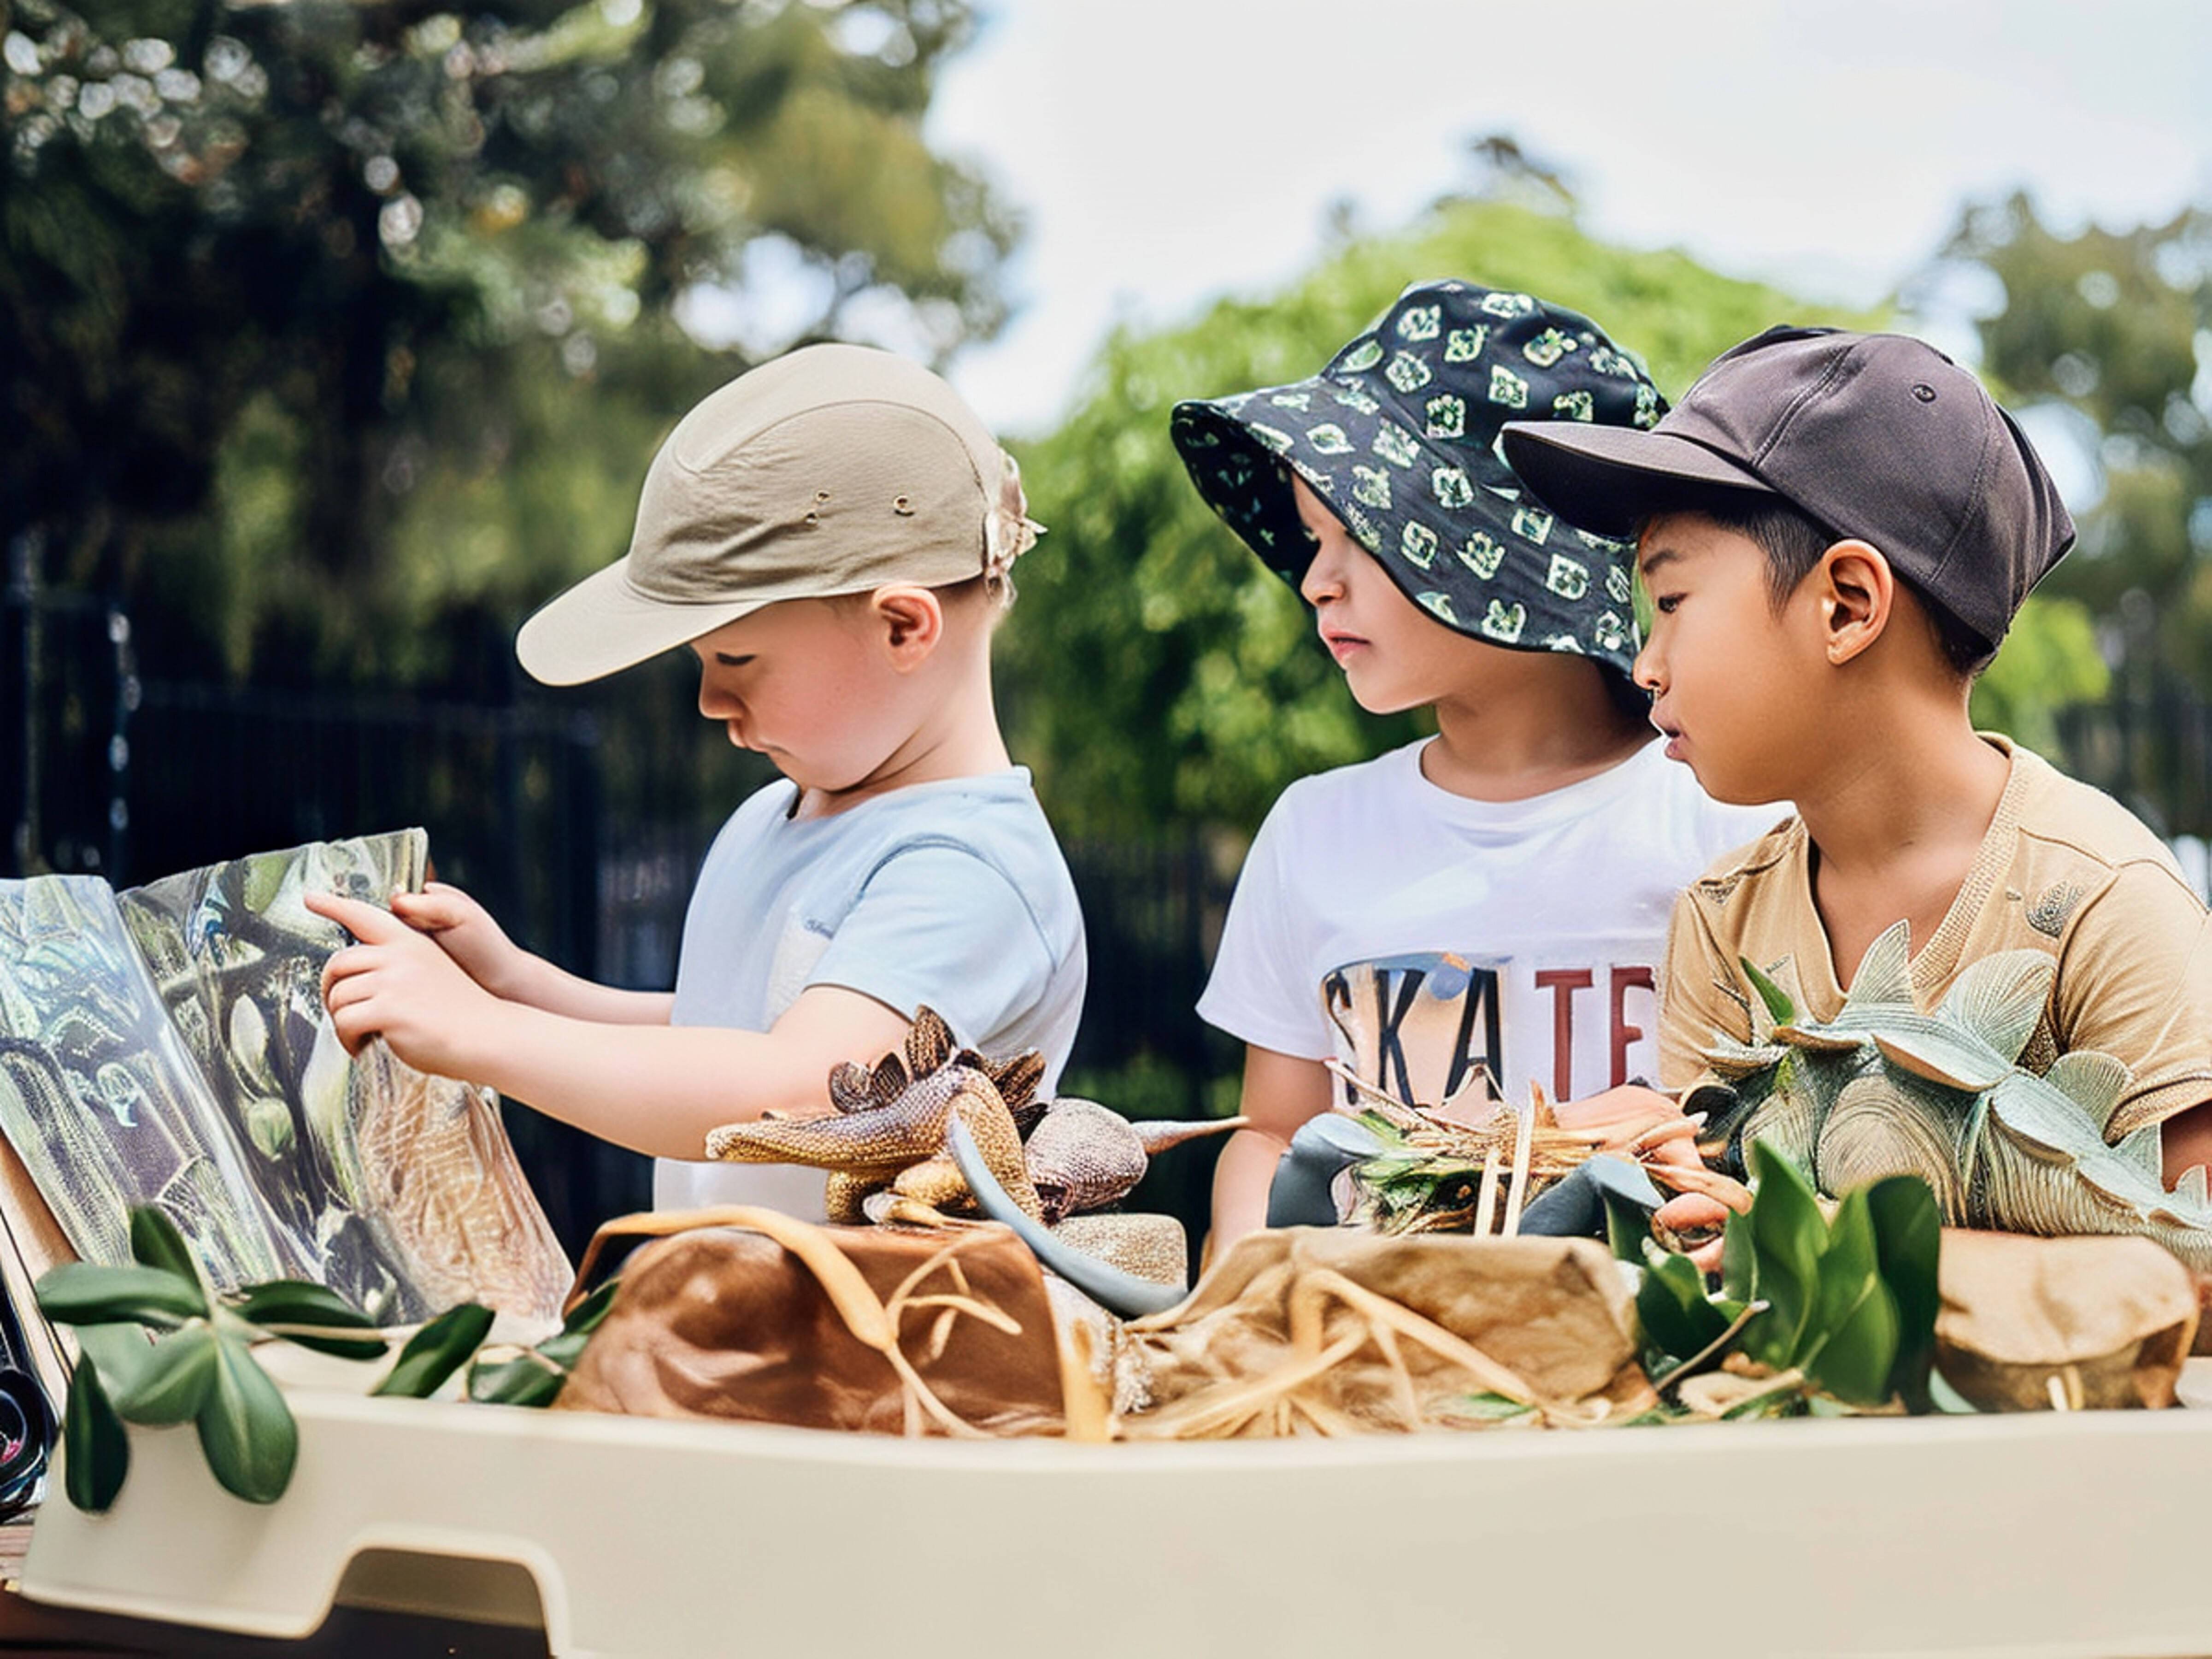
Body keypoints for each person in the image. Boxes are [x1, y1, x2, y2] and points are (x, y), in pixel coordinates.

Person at [307, 344, 1087, 1220]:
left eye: (738, 657)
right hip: (728, 1337)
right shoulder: (777, 814)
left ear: (903, 627)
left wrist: (480, 1034)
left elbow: (799, 1091)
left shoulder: (969, 872)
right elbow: (732, 1031)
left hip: (871, 1353)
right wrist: (519, 985)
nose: (711, 700)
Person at [1500, 324, 2212, 1250]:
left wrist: (1833, 1249)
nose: (1645, 664)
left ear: (1846, 604)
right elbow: (1706, 1228)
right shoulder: (1723, 922)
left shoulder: (2097, 902)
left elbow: (2195, 1271)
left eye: (1672, 603)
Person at [1172, 280, 1778, 1250]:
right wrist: (1248, 1308)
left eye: (1356, 534)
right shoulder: (1316, 831)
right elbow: (1277, 1133)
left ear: (1493, 541)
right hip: (1370, 1367)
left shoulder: (1730, 823)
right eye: (1312, 539)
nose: (1314, 579)